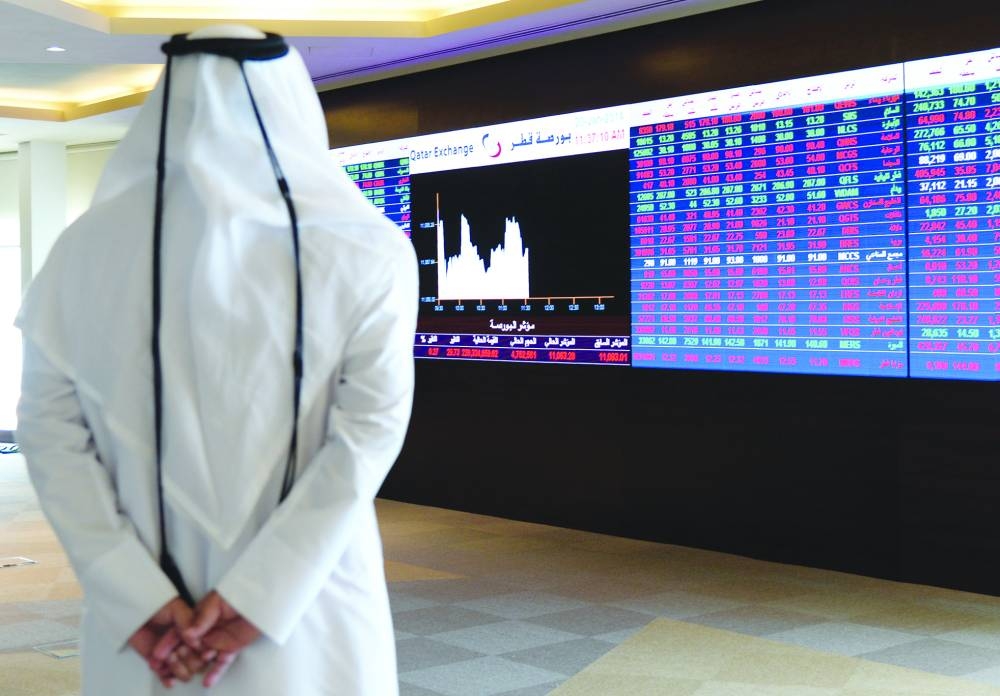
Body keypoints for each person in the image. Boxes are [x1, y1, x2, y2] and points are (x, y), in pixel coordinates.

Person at [15, 24, 418, 695]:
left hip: (150, 625)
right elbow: (368, 434)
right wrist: (262, 594)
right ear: (291, 100)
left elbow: (49, 433)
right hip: (313, 607)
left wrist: (132, 594)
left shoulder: (81, 252)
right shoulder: (368, 248)